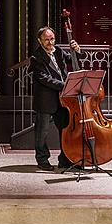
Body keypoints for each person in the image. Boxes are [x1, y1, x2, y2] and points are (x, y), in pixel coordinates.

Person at [31, 25, 80, 170]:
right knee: (42, 132)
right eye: (46, 40)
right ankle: (42, 161)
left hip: (63, 100)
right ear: (39, 41)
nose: (50, 42)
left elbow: (72, 60)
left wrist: (77, 51)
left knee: (65, 130)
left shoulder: (58, 50)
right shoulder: (36, 58)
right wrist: (66, 85)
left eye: (52, 39)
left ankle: (65, 159)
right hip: (46, 99)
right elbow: (44, 79)